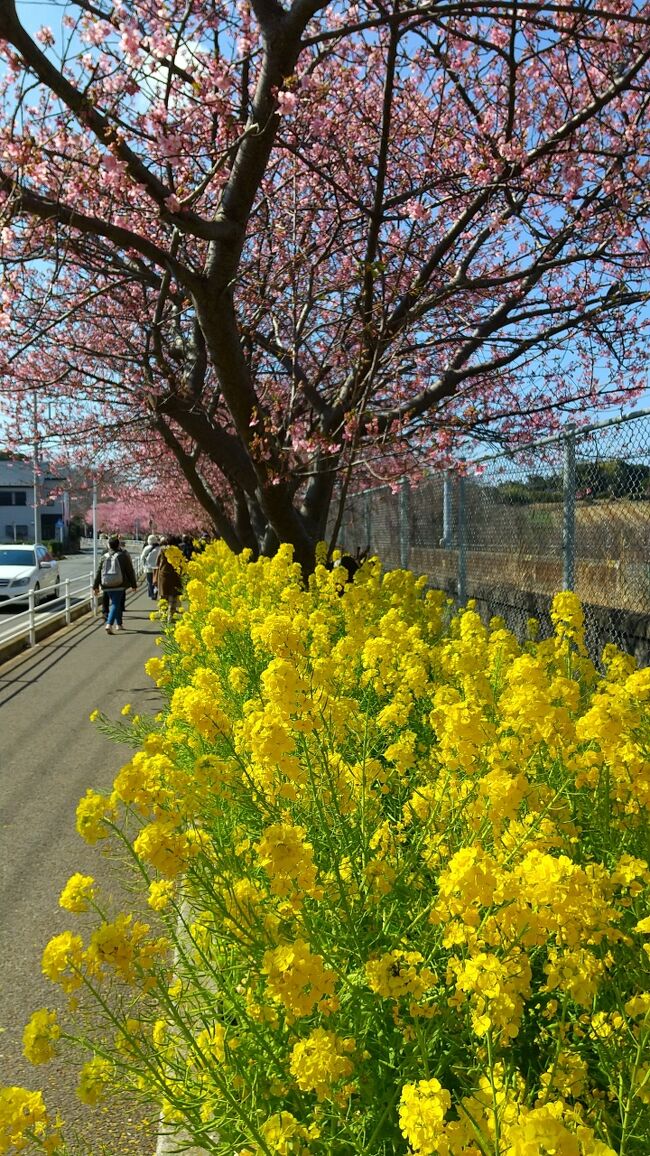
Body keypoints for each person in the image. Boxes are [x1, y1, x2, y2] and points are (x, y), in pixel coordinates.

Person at [93, 535, 137, 635]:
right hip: (119, 584)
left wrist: (95, 586)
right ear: (118, 545)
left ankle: (119, 624)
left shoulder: (104, 557)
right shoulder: (123, 556)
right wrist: (133, 584)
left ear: (109, 545)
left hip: (106, 584)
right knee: (115, 604)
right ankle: (109, 624)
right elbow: (129, 571)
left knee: (115, 604)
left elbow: (99, 572)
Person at [154, 535, 184, 622]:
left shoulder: (163, 550)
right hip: (175, 574)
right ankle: (170, 615)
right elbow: (181, 563)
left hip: (164, 575)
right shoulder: (178, 551)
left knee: (164, 595)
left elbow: (157, 563)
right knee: (173, 596)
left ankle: (163, 614)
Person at [140, 534, 161, 599]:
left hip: (148, 568)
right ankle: (156, 592)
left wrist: (144, 565)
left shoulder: (147, 548)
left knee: (149, 582)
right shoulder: (159, 548)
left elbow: (142, 557)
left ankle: (151, 594)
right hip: (157, 568)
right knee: (156, 581)